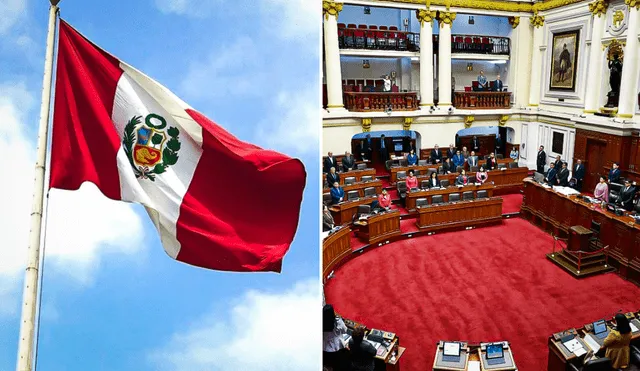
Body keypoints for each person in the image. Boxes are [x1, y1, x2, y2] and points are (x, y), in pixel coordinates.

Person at [323, 304, 349, 371]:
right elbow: (345, 330)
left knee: (328, 365)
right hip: (336, 348)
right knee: (337, 366)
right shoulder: (338, 321)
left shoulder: (320, 322)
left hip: (325, 348)